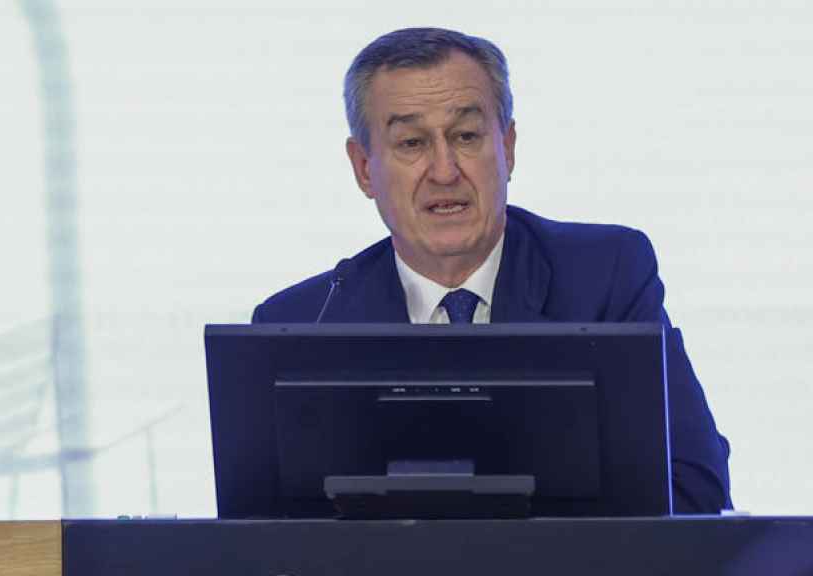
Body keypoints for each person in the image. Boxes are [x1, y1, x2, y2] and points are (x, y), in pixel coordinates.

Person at [253, 27, 732, 514]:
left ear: (508, 146)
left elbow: (694, 490)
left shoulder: (606, 277)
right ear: (363, 169)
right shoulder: (303, 323)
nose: (444, 171)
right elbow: (269, 534)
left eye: (465, 136)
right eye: (412, 143)